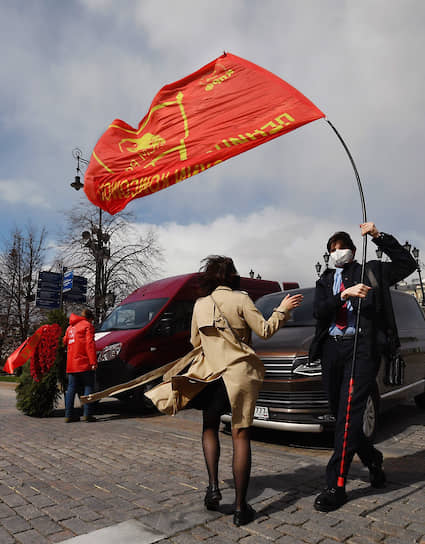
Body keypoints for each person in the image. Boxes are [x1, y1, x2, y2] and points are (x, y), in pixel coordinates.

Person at [188, 256, 303, 526]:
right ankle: (241, 508)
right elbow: (264, 330)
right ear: (232, 276)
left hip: (211, 374)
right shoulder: (241, 299)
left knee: (209, 427)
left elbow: (194, 342)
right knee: (240, 435)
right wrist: (282, 309)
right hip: (238, 375)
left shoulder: (200, 305)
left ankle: (213, 488)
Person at [310, 222, 416, 512]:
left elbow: (408, 263)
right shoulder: (326, 278)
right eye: (332, 250)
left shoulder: (371, 270)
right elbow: (319, 310)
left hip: (362, 348)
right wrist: (341, 296)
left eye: (341, 248)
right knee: (341, 415)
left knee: (348, 417)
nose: (337, 253)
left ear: (353, 250)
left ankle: (336, 485)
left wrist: (379, 236)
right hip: (332, 350)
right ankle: (372, 459)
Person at [63, 309, 98, 423]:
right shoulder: (87, 326)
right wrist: (93, 362)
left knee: (71, 388)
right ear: (89, 318)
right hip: (84, 362)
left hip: (71, 364)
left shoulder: (70, 328)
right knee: (88, 386)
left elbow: (64, 341)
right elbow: (90, 344)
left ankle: (68, 415)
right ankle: (87, 414)